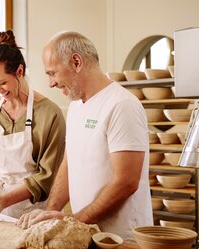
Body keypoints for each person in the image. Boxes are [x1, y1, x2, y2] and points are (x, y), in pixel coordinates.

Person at [17, 31, 153, 240]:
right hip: (87, 231)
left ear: (76, 62)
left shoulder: (121, 105)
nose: (50, 83)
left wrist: (73, 221)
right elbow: (69, 164)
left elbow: (126, 182)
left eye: (52, 73)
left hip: (120, 237)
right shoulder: (75, 107)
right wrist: (50, 212)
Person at [0, 30, 66, 219]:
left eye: (2, 82)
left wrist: (5, 201)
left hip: (37, 211)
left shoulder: (49, 114)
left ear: (19, 71)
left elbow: (47, 176)